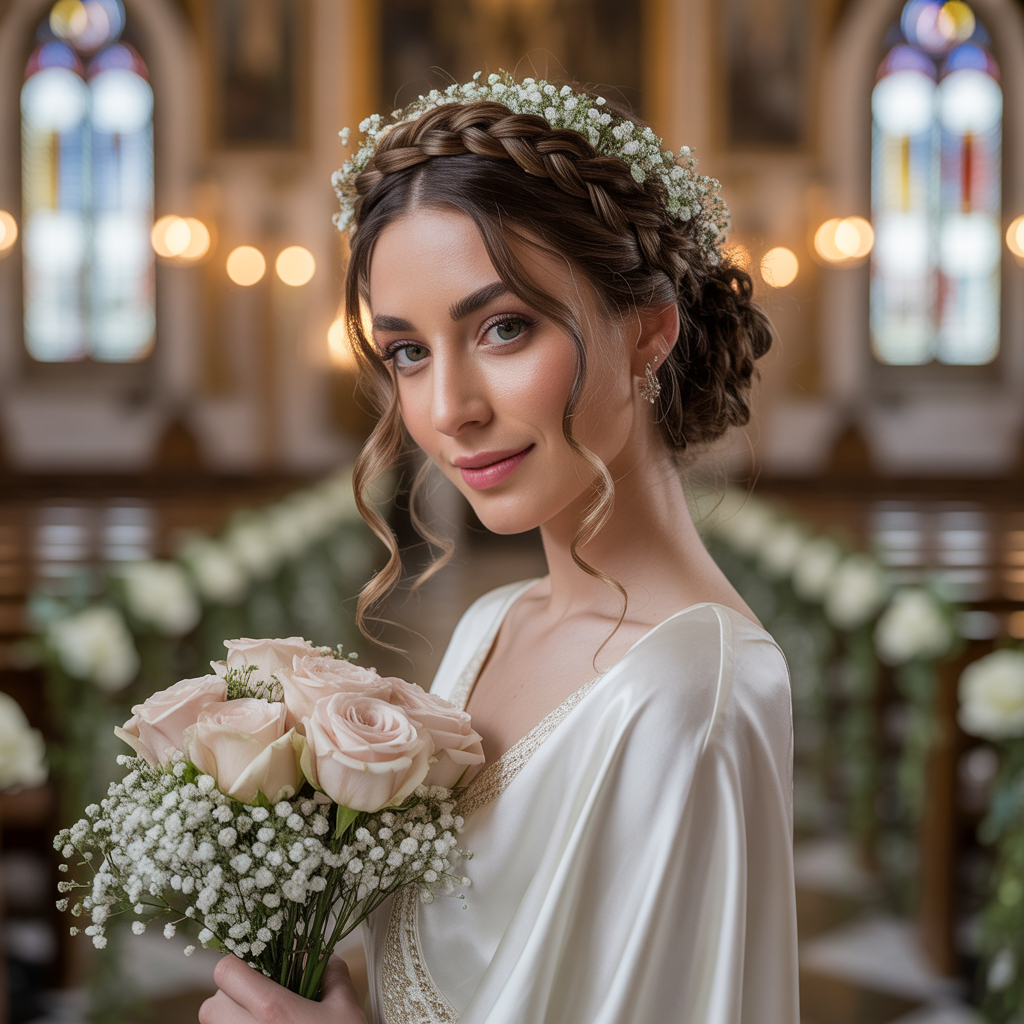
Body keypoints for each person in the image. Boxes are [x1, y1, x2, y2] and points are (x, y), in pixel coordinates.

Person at [200, 73, 798, 1024]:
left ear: (647, 333)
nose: (449, 411)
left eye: (504, 328)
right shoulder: (494, 621)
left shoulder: (691, 691)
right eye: (408, 352)